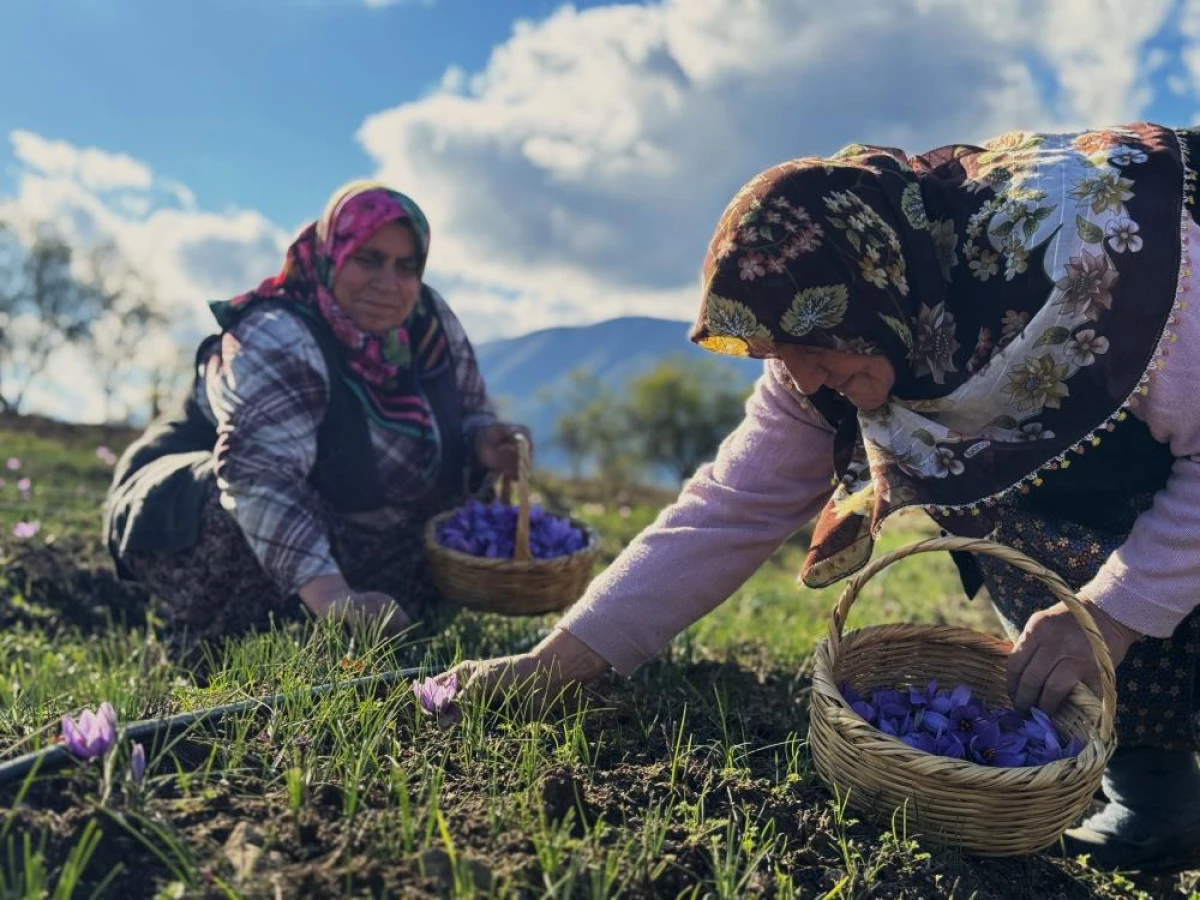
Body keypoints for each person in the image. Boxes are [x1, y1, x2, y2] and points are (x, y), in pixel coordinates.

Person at [446, 123, 1200, 872]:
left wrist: (1112, 614)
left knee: (1106, 606)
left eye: (812, 345)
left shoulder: (1101, 263)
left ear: (872, 286)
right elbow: (729, 509)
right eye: (779, 352)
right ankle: (1155, 804)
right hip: (1083, 496)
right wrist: (557, 660)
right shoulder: (829, 349)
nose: (805, 376)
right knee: (1024, 548)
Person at [104, 181, 529, 643]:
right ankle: (222, 631)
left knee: (461, 504)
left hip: (339, 506)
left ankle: (334, 602)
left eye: (406, 266)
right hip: (184, 506)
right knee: (235, 509)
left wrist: (482, 439)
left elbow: (470, 408)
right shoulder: (278, 334)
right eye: (368, 259)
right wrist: (333, 597)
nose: (388, 283)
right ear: (332, 254)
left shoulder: (427, 321)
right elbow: (259, 475)